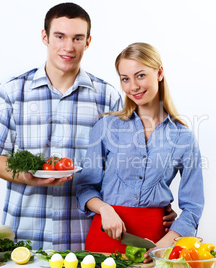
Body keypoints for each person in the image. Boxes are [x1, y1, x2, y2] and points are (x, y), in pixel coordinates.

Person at [0, 3, 176, 251]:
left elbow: (130, 165)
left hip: (86, 238)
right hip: (24, 236)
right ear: (45, 37)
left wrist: (155, 204)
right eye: (60, 36)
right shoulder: (12, 91)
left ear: (88, 41)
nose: (68, 47)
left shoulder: (108, 97)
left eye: (77, 38)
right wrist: (31, 177)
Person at [76, 42, 204, 259]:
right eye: (125, 79)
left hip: (155, 242)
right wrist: (105, 210)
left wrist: (164, 245)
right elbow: (84, 187)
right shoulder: (106, 127)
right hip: (105, 235)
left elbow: (193, 207)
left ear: (160, 72)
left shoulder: (184, 137)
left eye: (140, 75)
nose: (133, 86)